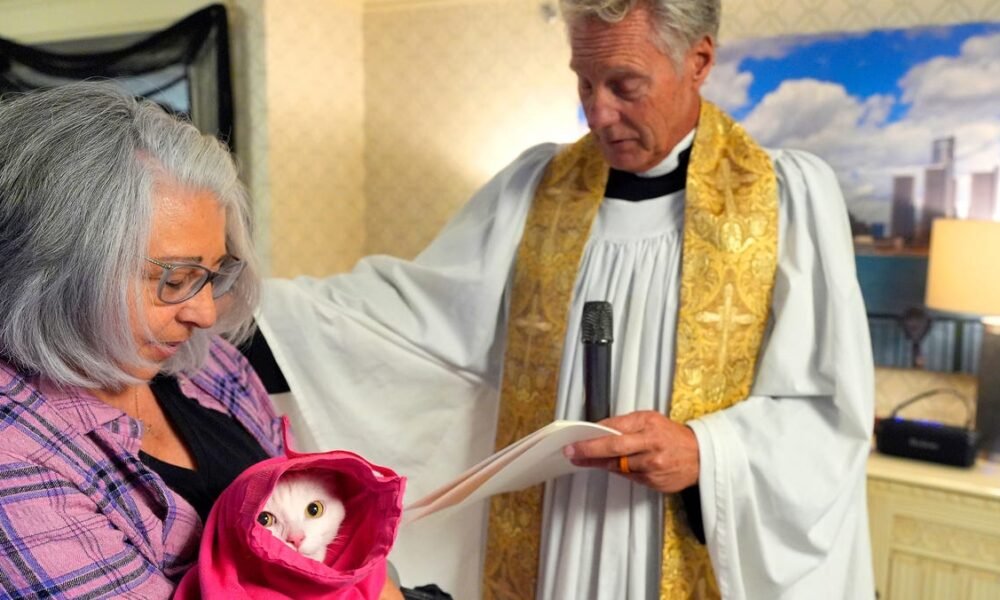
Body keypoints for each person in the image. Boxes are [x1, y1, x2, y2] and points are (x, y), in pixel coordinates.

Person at [256, 0, 875, 598]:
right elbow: (410, 320)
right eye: (584, 82)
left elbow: (829, 412)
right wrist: (247, 311)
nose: (597, 113)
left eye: (624, 85)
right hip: (554, 540)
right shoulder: (535, 191)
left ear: (699, 60)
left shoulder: (784, 199)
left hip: (687, 537)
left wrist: (706, 453)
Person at [0, 83, 404, 600]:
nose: (206, 313)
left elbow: (334, 538)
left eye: (212, 274)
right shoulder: (17, 455)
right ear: (52, 271)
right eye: (174, 278)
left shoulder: (210, 365)